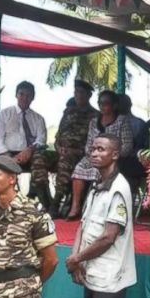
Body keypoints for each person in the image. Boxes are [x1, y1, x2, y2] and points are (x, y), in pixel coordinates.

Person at [0, 155, 59, 298]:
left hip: (23, 293)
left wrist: (31, 284)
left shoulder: (32, 211)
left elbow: (51, 259)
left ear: (11, 179)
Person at [66, 134, 136, 298]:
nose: (94, 153)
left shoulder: (118, 188)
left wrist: (76, 258)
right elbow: (83, 224)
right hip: (91, 272)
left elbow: (108, 237)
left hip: (109, 277)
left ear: (114, 155)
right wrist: (76, 259)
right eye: (93, 148)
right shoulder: (97, 185)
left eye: (101, 149)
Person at [69, 90, 134, 221]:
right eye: (100, 103)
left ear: (114, 105)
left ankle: (97, 209)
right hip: (93, 156)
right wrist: (94, 152)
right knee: (79, 168)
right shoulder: (93, 121)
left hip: (113, 158)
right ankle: (75, 206)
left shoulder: (122, 121)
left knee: (98, 170)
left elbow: (127, 145)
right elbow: (88, 143)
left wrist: (110, 154)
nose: (102, 106)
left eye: (106, 103)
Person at [0, 81, 50, 208]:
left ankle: (43, 201)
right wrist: (8, 156)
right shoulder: (4, 114)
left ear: (33, 97)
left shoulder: (38, 118)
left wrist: (29, 151)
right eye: (21, 94)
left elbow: (42, 139)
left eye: (28, 95)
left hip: (31, 153)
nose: (25, 98)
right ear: (16, 95)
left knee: (40, 160)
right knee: (4, 165)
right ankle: (8, 203)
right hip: (8, 153)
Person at [52, 80, 99, 218]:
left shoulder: (95, 116)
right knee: (39, 158)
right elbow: (58, 136)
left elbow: (93, 142)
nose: (78, 95)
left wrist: (74, 151)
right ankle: (45, 200)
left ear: (89, 95)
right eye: (76, 92)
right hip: (61, 152)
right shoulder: (68, 113)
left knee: (65, 161)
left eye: (81, 93)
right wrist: (58, 148)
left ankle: (56, 202)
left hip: (80, 155)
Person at [117, 94, 150, 203]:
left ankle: (123, 204)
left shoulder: (139, 124)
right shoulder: (112, 122)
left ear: (129, 105)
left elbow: (142, 148)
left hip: (133, 162)